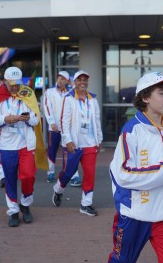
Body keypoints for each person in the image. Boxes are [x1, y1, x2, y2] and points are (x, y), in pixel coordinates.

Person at [108, 72, 163, 263]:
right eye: (162, 93)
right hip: (135, 215)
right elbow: (123, 175)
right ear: (145, 97)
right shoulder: (132, 131)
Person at [0, 66, 41, 227]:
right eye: (12, 84)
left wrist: (27, 119)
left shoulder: (28, 94)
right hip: (6, 146)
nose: (15, 87)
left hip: (25, 144)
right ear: (4, 82)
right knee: (10, 180)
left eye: (18, 84)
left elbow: (36, 120)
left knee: (28, 176)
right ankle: (13, 211)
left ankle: (25, 205)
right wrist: (6, 119)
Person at [52, 70, 103, 216]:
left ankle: (86, 204)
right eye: (79, 80)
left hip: (90, 143)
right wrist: (67, 140)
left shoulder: (93, 100)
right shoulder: (68, 99)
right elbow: (64, 121)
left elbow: (97, 121)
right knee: (68, 173)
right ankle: (58, 189)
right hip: (73, 144)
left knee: (90, 174)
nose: (82, 82)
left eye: (85, 80)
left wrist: (99, 140)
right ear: (74, 82)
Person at [42, 71, 82, 186]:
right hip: (54, 127)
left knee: (71, 150)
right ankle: (50, 172)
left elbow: (78, 90)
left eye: (63, 79)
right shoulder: (49, 92)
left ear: (67, 81)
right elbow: (46, 107)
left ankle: (74, 175)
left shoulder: (71, 92)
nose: (60, 80)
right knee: (52, 150)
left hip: (67, 128)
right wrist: (51, 122)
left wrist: (72, 83)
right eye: (59, 78)